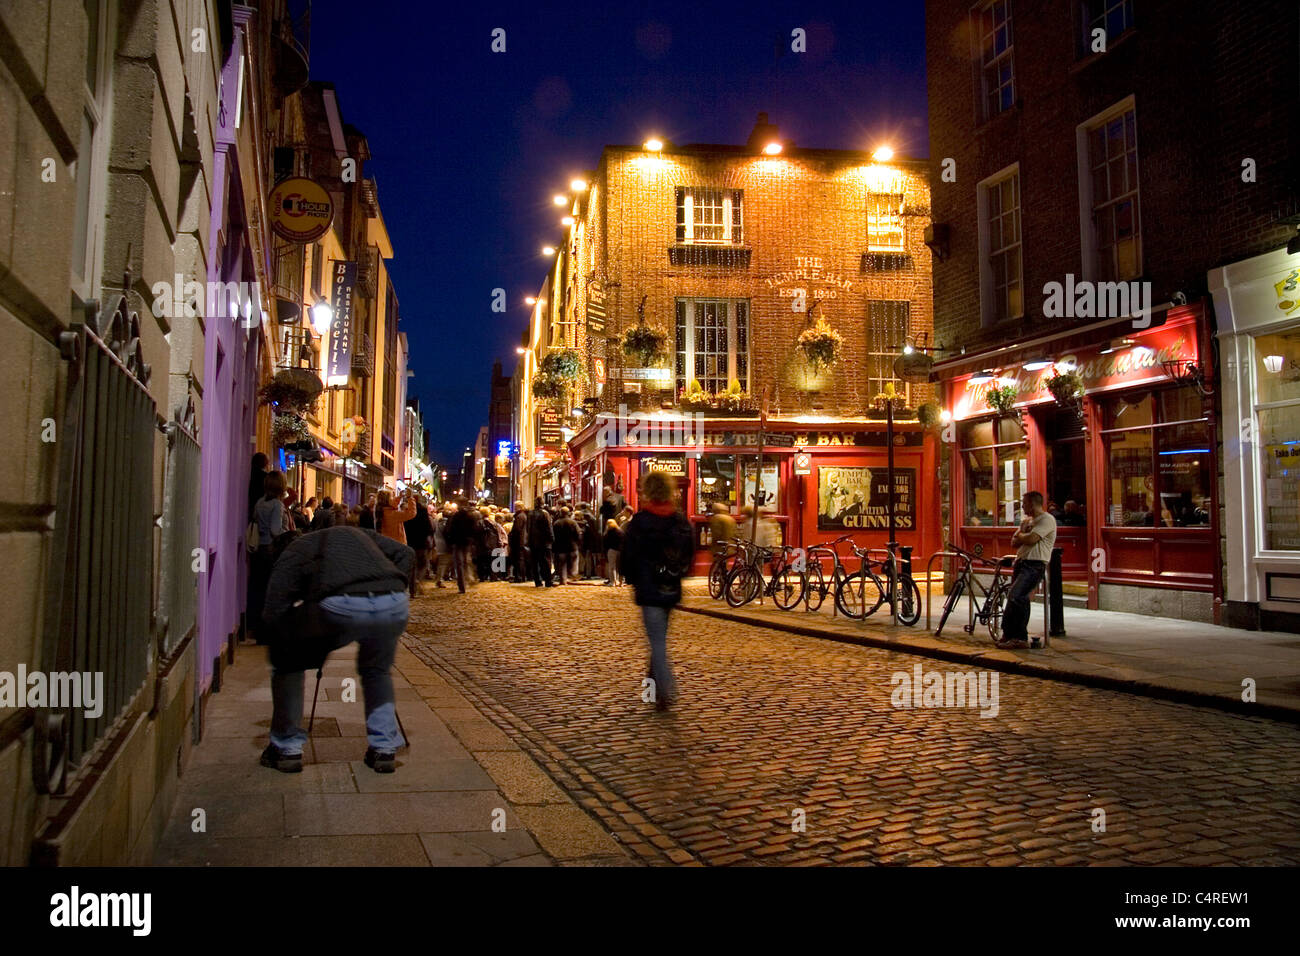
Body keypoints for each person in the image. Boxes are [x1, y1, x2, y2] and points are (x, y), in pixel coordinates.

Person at [260, 524, 415, 774]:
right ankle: (383, 748)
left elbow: (273, 611)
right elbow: (407, 553)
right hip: (393, 602)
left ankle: (286, 747)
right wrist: (390, 584)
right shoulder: (356, 533)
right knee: (377, 671)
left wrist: (291, 641)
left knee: (287, 661)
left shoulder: (291, 553)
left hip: (341, 603)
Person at [620, 471, 693, 711]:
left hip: (649, 588)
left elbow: (628, 557)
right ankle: (653, 692)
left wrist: (632, 578)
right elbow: (688, 555)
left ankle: (666, 688)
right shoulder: (680, 521)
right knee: (658, 638)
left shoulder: (640, 522)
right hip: (670, 587)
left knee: (658, 643)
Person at [999, 490, 1058, 648]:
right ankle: (1009, 634)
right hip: (1021, 561)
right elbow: (1013, 542)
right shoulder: (1027, 521)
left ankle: (1020, 637)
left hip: (1035, 563)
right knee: (1017, 597)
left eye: (1024, 503)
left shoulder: (1047, 520)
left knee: (1016, 595)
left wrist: (1023, 535)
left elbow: (1032, 539)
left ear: (1033, 503)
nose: (1022, 506)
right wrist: (1022, 535)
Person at [247, 470, 287, 644]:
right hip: (271, 550)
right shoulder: (277, 505)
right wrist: (289, 532)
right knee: (271, 591)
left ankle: (256, 629)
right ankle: (268, 630)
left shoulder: (260, 502)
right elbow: (275, 530)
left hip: (257, 550)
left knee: (258, 589)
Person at [445, 497, 479, 592]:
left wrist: (450, 541)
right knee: (467, 561)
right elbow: (475, 529)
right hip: (467, 541)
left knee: (459, 563)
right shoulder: (471, 516)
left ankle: (461, 584)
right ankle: (469, 578)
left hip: (457, 541)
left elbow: (449, 530)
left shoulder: (455, 516)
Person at [404, 496, 434, 596]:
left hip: (409, 541)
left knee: (412, 566)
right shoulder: (422, 511)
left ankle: (412, 589)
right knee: (423, 564)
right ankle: (418, 579)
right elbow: (428, 527)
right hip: (421, 542)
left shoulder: (407, 510)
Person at [528, 498, 555, 588]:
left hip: (533, 541)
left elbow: (528, 528)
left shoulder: (530, 513)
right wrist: (551, 538)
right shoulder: (545, 513)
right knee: (545, 562)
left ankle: (537, 581)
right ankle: (548, 581)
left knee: (535, 562)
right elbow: (548, 527)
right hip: (543, 541)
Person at [553, 507, 581, 585]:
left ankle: (563, 580)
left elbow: (553, 535)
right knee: (574, 562)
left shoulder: (557, 523)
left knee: (562, 564)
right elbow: (578, 534)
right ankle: (573, 576)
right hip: (572, 545)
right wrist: (578, 542)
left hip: (561, 546)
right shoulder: (573, 522)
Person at [508, 501, 529, 582]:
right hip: (521, 540)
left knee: (519, 560)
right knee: (520, 559)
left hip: (518, 541)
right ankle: (521, 577)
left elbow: (517, 530)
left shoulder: (520, 516)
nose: (515, 507)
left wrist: (511, 537)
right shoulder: (522, 515)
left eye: (515, 506)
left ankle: (519, 577)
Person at [433, 506, 452, 587]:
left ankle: (440, 578)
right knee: (443, 563)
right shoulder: (445, 523)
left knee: (441, 563)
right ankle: (439, 580)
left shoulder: (437, 522)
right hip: (443, 544)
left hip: (438, 543)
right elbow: (447, 534)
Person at [603, 518, 624, 586]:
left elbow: (605, 542)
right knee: (619, 567)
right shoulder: (620, 531)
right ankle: (620, 582)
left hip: (612, 550)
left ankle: (613, 582)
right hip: (620, 550)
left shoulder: (609, 532)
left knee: (612, 567)